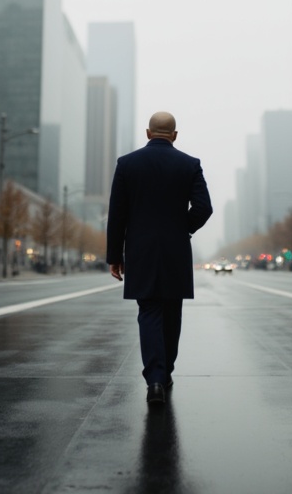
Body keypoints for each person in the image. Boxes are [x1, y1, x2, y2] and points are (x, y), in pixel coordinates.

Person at [106, 112, 213, 405]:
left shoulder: (127, 164)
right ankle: (165, 374)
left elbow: (117, 215)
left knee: (149, 310)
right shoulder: (190, 165)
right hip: (175, 249)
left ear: (148, 133)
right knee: (172, 312)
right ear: (175, 135)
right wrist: (182, 228)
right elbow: (204, 208)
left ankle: (155, 378)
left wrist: (115, 256)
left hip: (140, 250)